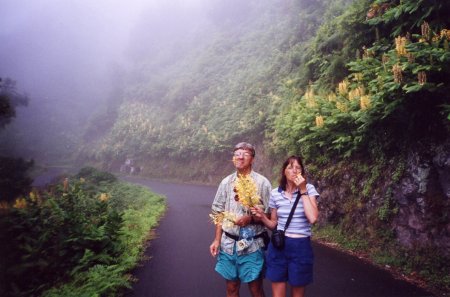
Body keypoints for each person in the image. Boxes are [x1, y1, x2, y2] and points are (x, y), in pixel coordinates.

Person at [209, 142, 272, 297]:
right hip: (228, 244)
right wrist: (217, 240)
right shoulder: (226, 182)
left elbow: (270, 216)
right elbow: (218, 212)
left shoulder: (262, 183)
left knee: (256, 289)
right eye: (237, 153)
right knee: (231, 288)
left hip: (253, 244)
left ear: (252, 159)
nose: (240, 156)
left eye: (245, 153)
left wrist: (250, 219)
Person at [251, 155, 319, 297]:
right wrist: (263, 217)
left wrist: (303, 190)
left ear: (302, 172)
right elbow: (274, 224)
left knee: (298, 293)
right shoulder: (275, 193)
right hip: (279, 246)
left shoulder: (309, 189)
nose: (294, 170)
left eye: (298, 167)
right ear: (284, 171)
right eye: (290, 167)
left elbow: (312, 218)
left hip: (301, 246)